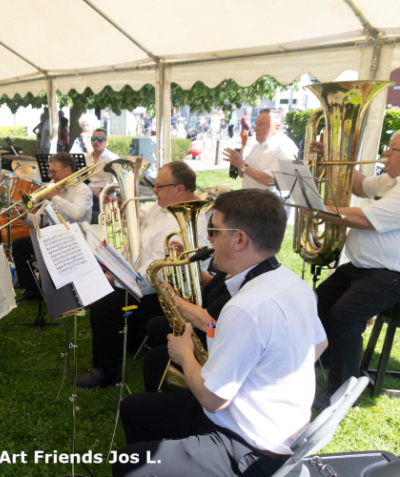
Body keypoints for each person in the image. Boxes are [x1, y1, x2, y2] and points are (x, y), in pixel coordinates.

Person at [111, 189, 327, 477]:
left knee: (127, 462)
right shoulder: (293, 282)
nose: (209, 240)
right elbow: (320, 344)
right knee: (134, 408)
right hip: (275, 428)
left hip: (251, 447)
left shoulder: (244, 308)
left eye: (214, 231)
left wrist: (184, 355)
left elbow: (213, 400)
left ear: (240, 239)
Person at [76, 161, 210, 388]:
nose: (154, 191)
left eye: (159, 186)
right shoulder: (165, 205)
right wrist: (128, 209)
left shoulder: (186, 220)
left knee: (104, 303)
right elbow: (145, 221)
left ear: (179, 189)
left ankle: (106, 372)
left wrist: (115, 280)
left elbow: (156, 274)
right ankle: (127, 341)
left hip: (167, 294)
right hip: (144, 280)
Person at [312, 130, 400, 409]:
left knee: (345, 314)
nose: (385, 152)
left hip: (391, 274)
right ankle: (327, 360)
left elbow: (362, 219)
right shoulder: (392, 180)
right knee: (319, 299)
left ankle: (342, 392)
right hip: (365, 267)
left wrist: (317, 208)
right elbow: (360, 186)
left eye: (393, 149)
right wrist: (333, 157)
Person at [13, 152, 93, 302]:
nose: (50, 176)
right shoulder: (55, 190)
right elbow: (38, 220)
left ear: (67, 170)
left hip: (74, 241)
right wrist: (25, 216)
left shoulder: (82, 189)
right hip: (54, 239)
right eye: (49, 172)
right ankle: (32, 290)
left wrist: (55, 198)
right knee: (19, 245)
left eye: (53, 172)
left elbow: (77, 213)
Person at [222, 108, 297, 194]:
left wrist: (241, 164)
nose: (256, 128)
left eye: (260, 124)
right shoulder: (257, 146)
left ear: (277, 127)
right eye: (256, 124)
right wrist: (237, 162)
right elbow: (243, 174)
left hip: (270, 201)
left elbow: (271, 181)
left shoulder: (286, 147)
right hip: (250, 199)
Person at [85, 128, 118, 206]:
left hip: (104, 199)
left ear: (106, 143)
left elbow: (117, 185)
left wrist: (100, 192)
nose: (96, 142)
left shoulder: (112, 158)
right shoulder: (86, 158)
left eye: (100, 139)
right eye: (93, 138)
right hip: (87, 196)